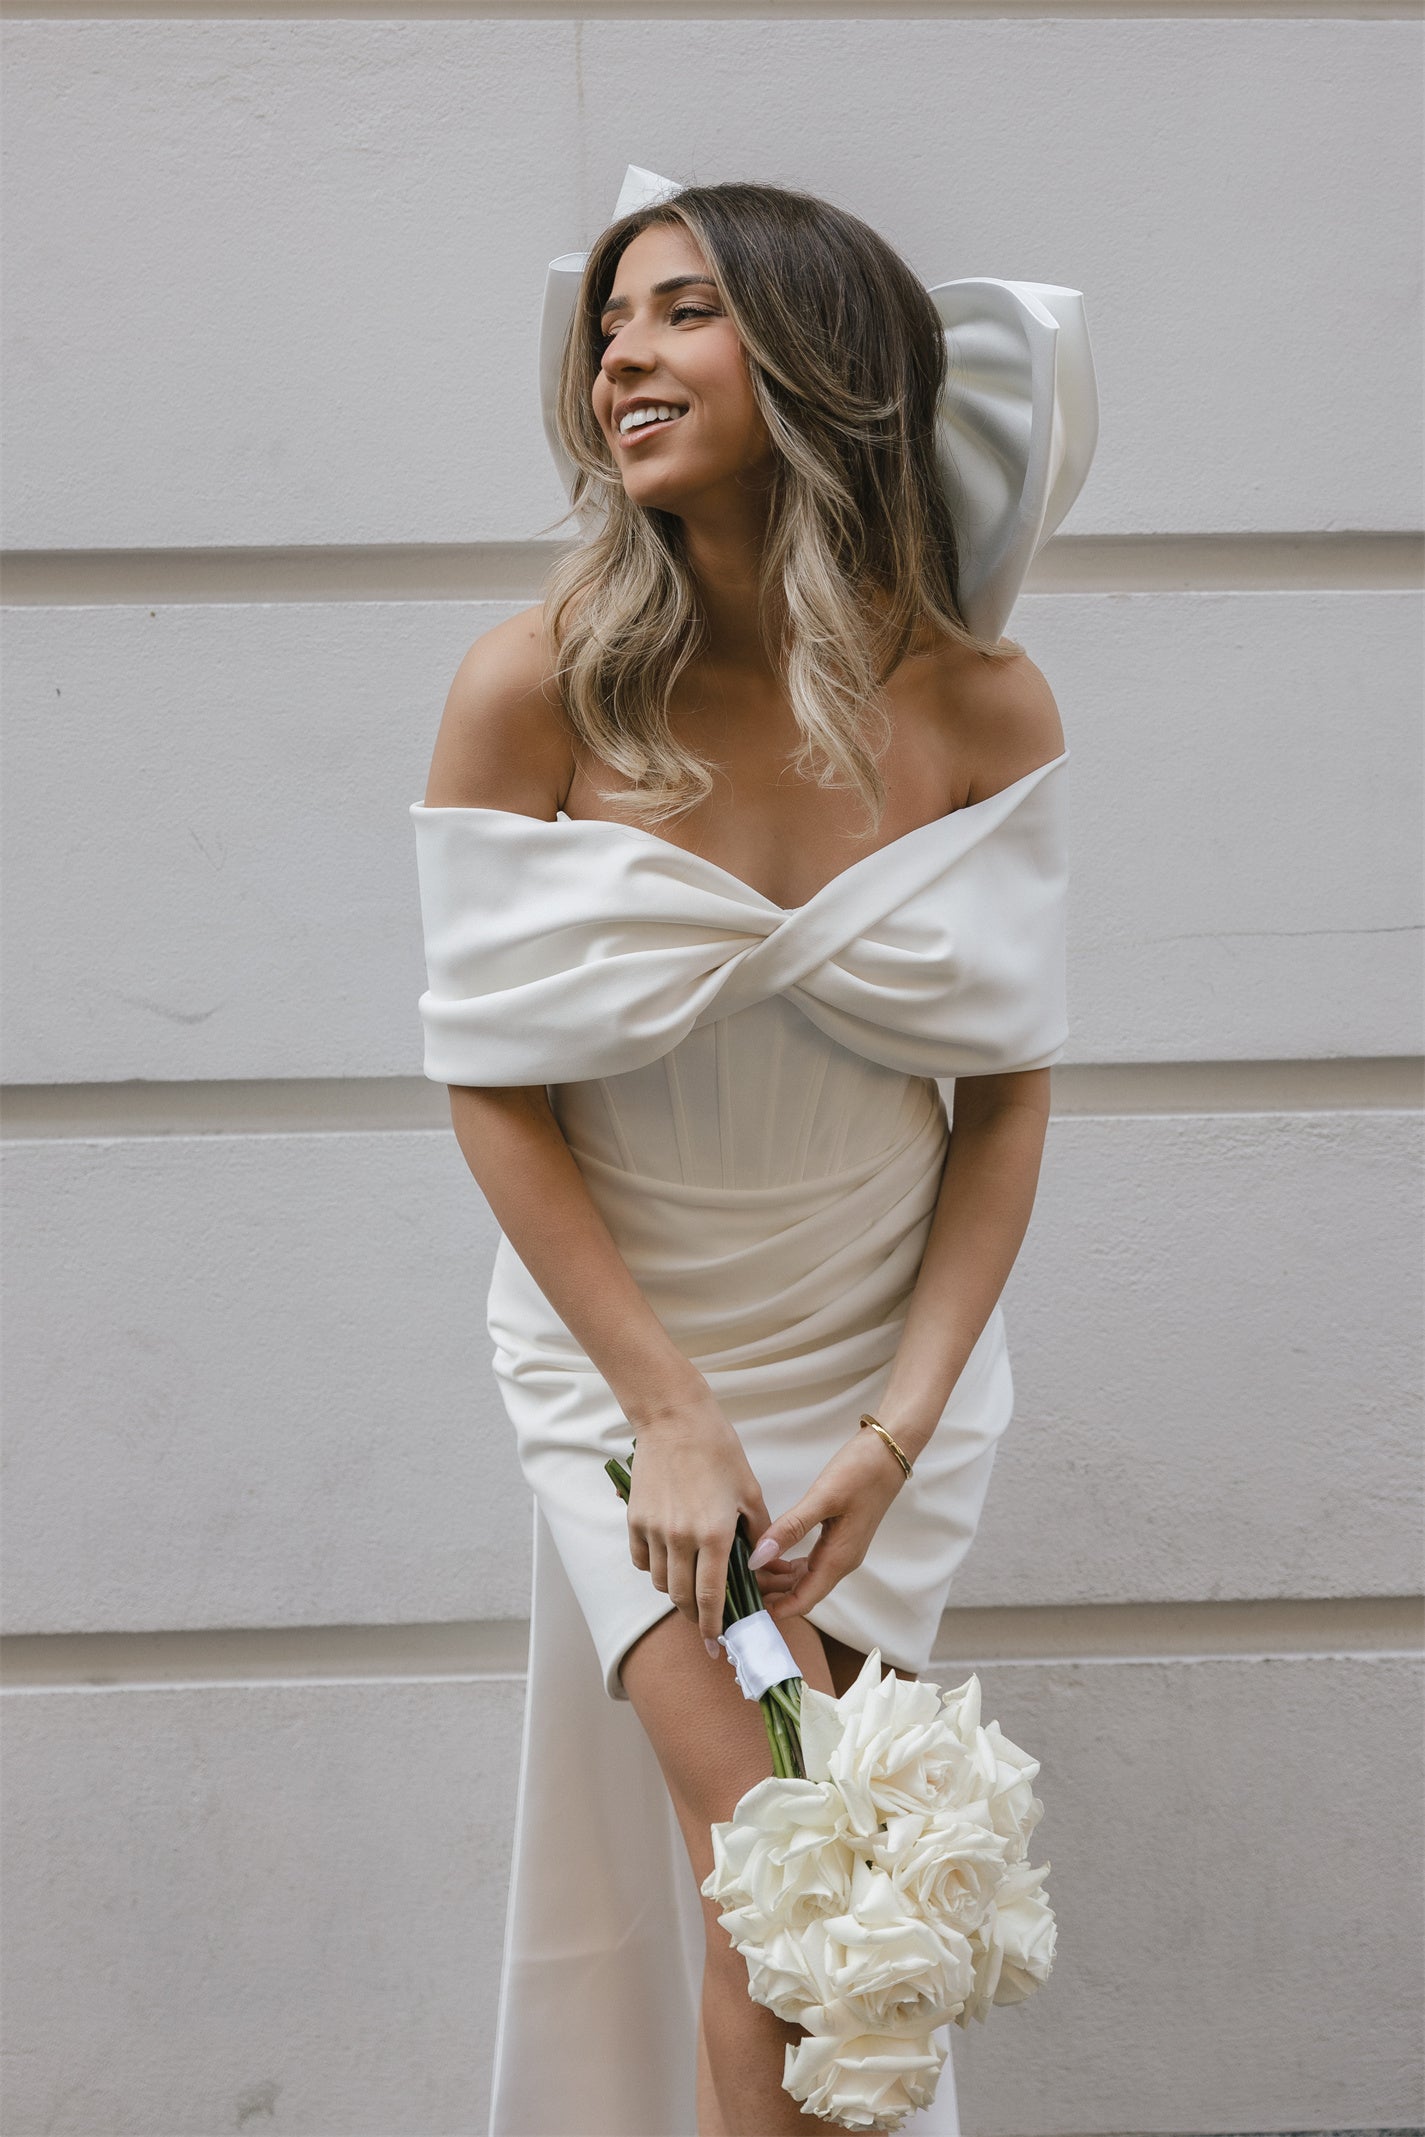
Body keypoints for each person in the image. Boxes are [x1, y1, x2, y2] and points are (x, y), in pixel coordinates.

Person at [410, 173, 1094, 2137]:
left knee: (818, 1902)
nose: (619, 355)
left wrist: (893, 1431)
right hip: (630, 1372)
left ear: (813, 360)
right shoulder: (531, 685)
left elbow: (1004, 1100)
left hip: (884, 1375)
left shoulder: (980, 701)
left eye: (680, 310)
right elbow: (490, 1085)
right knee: (791, 1889)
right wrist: (668, 1412)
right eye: (610, 325)